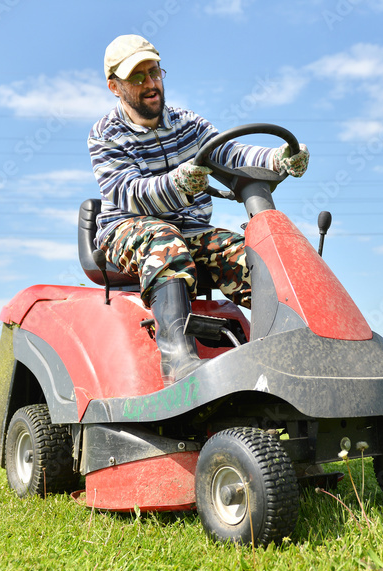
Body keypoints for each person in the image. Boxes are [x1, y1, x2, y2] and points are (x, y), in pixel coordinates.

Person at [88, 34, 309, 385]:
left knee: (254, 256)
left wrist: (277, 158)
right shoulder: (105, 135)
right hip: (128, 229)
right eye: (138, 77)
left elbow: (232, 154)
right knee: (164, 240)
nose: (151, 84)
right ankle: (178, 360)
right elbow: (130, 193)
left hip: (191, 231)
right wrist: (177, 184)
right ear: (115, 86)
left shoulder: (188, 124)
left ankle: (300, 351)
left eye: (154, 72)